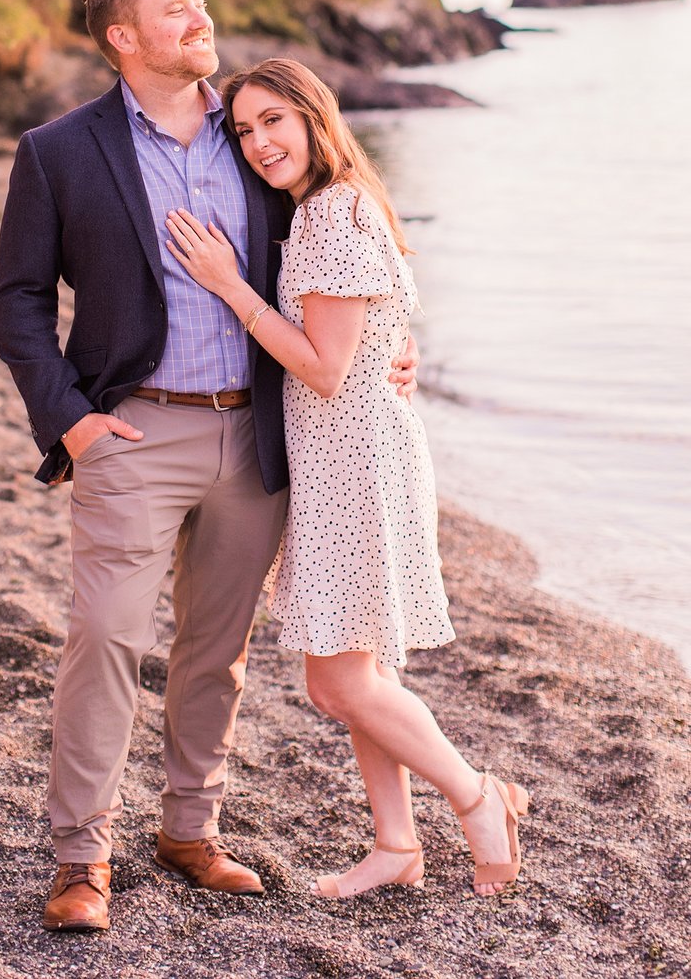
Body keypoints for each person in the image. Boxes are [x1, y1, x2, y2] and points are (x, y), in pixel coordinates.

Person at [0, 0, 420, 933]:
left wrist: (397, 346)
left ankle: (190, 830)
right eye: (175, 9)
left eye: (197, 1)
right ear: (122, 36)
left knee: (215, 652)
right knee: (104, 637)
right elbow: (17, 303)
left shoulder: (256, 133)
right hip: (132, 436)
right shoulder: (58, 152)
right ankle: (81, 860)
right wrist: (72, 420)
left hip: (262, 437)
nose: (199, 19)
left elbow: (354, 227)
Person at [164, 57, 529, 900]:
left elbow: (325, 369)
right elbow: (378, 331)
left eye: (274, 122)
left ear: (313, 118)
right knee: (366, 673)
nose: (258, 144)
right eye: (245, 130)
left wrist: (229, 289)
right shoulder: (346, 202)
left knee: (337, 682)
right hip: (357, 456)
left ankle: (478, 798)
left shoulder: (330, 214)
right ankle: (396, 845)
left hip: (354, 466)